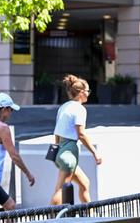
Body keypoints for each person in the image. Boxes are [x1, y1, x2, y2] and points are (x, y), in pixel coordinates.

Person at [50, 74, 102, 205]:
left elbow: (56, 131)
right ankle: (49, 219)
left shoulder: (63, 107)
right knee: (60, 189)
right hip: (69, 152)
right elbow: (81, 134)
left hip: (60, 150)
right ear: (81, 93)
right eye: (87, 91)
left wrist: (56, 151)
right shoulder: (80, 109)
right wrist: (95, 153)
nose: (88, 94)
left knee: (84, 183)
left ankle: (90, 216)